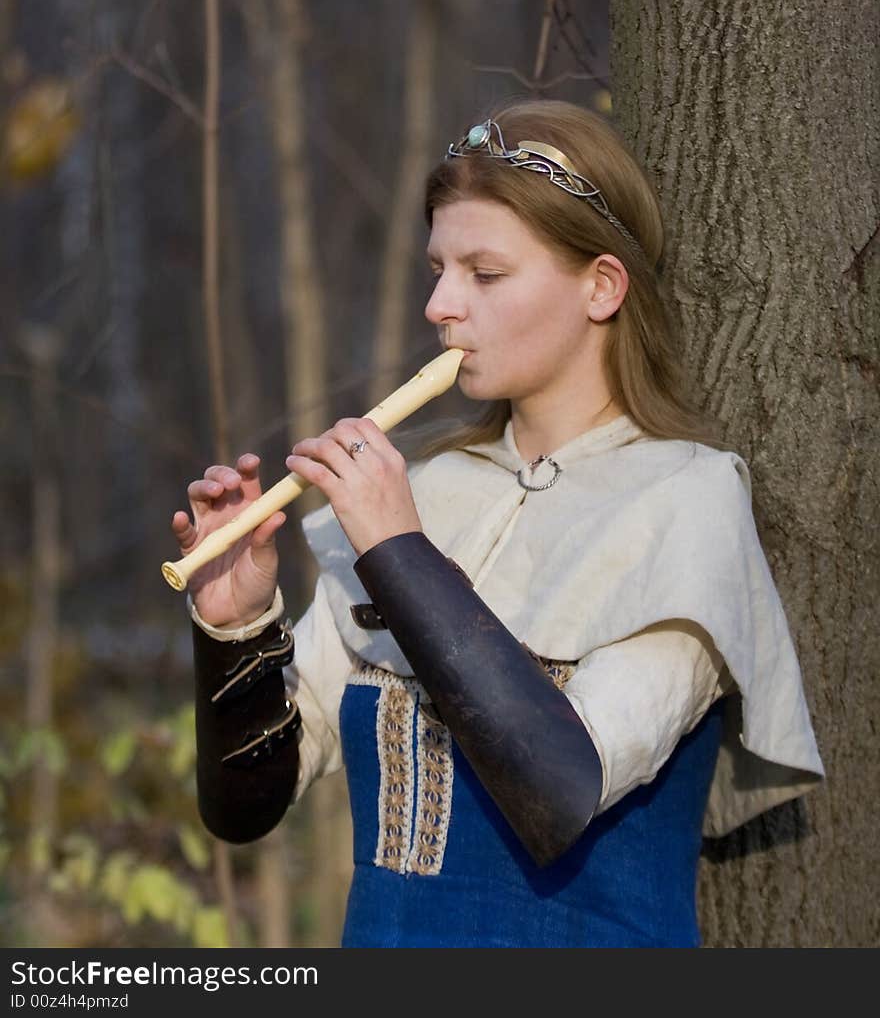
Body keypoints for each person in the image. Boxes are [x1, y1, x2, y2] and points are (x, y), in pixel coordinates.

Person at [171, 99, 824, 948]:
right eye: (437, 269)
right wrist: (236, 630)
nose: (443, 304)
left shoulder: (688, 500)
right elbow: (247, 809)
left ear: (601, 286)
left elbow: (560, 790)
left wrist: (399, 551)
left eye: (485, 274)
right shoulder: (429, 489)